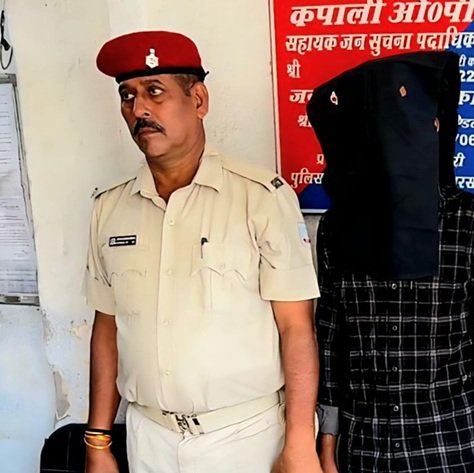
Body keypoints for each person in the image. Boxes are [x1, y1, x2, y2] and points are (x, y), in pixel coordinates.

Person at [83, 30, 321, 473]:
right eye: (127, 96)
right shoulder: (109, 210)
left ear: (199, 100)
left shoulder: (260, 198)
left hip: (245, 437)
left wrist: (300, 443)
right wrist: (98, 442)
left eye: (155, 92)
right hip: (148, 437)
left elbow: (296, 329)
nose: (139, 109)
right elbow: (107, 329)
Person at [307, 51, 474, 473]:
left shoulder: (468, 218)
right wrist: (326, 447)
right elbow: (331, 340)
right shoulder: (337, 227)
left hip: (449, 447)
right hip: (365, 451)